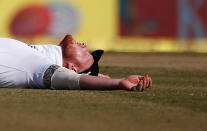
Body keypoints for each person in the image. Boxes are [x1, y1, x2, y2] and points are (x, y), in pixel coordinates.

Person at [0, 34, 152, 91]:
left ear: (71, 67)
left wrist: (118, 83)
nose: (85, 45)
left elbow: (70, 78)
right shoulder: (34, 55)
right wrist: (96, 75)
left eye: (86, 55)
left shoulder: (38, 66)